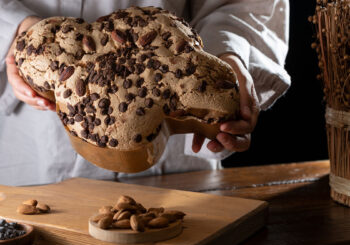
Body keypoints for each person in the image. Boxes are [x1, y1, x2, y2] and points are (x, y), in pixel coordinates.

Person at [0, 0, 290, 186]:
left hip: (180, 156)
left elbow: (244, 5)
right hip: (34, 148)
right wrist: (17, 32)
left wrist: (227, 54)